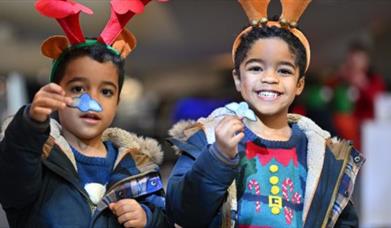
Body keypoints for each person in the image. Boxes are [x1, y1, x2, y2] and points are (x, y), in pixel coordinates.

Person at [166, 0, 364, 227]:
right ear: (238, 79)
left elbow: (343, 221)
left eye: (284, 70)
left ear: (299, 84)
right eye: (256, 68)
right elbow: (180, 211)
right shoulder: (209, 138)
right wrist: (218, 156)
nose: (270, 78)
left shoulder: (323, 156)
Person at [0, 0, 170, 227]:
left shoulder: (138, 167)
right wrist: (30, 125)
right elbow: (12, 183)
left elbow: (164, 218)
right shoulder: (38, 157)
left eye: (106, 92)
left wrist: (147, 219)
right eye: (78, 89)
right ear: (56, 93)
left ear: (117, 102)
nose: (92, 103)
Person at [328, 41, 386, 149]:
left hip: (366, 130)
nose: (354, 64)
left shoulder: (374, 80)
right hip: (341, 129)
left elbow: (378, 103)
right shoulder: (341, 79)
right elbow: (327, 93)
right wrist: (338, 77)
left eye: (358, 60)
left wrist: (363, 85)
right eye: (350, 60)